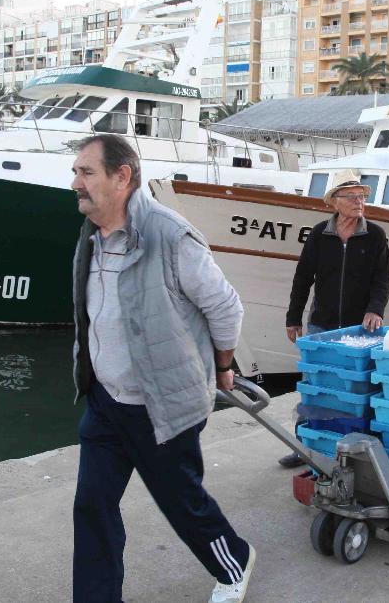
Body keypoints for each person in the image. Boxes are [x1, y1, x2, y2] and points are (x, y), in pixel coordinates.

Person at [69, 134, 255, 603]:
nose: (76, 182)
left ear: (122, 176)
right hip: (106, 400)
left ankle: (235, 561)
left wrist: (223, 366)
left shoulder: (170, 236)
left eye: (86, 172)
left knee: (184, 505)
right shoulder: (90, 235)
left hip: (162, 408)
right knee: (92, 505)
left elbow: (226, 309)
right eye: (77, 172)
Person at [277, 169, 389, 468]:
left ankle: (352, 447)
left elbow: (383, 278)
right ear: (335, 202)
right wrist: (293, 317)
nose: (359, 202)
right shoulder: (320, 234)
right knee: (315, 386)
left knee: (355, 388)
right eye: (352, 197)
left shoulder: (375, 235)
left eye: (361, 196)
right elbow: (303, 277)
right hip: (322, 323)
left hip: (360, 327)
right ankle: (304, 444)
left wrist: (375, 309)